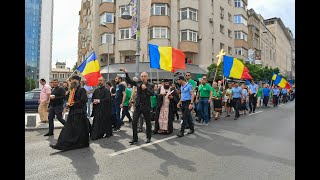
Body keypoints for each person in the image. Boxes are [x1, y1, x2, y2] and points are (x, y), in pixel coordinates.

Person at [50, 75, 90, 151]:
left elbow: (83, 100)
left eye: (73, 80)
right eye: (71, 80)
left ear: (77, 81)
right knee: (68, 129)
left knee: (76, 130)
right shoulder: (72, 90)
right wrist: (67, 95)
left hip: (79, 113)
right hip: (73, 112)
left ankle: (78, 143)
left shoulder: (82, 90)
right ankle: (61, 144)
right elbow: (67, 99)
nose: (71, 82)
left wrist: (74, 104)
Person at [123, 68, 155, 144]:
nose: (143, 77)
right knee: (134, 122)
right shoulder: (138, 83)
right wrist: (126, 73)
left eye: (144, 76)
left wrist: (146, 88)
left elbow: (152, 94)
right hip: (138, 106)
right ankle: (135, 138)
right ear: (140, 77)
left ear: (147, 77)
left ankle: (148, 137)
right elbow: (130, 81)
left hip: (146, 106)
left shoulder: (150, 85)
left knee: (148, 122)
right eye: (142, 76)